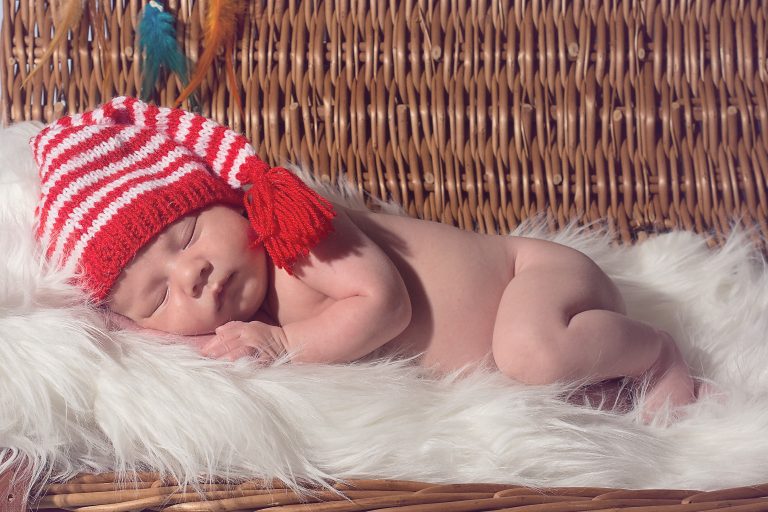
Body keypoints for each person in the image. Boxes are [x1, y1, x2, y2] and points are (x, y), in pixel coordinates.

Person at [31, 96, 696, 421]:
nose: (191, 275)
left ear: (230, 201)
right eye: (158, 295)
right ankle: (610, 377)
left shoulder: (295, 237)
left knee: (533, 353)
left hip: (534, 277)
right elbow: (184, 347)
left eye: (187, 237)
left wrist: (284, 339)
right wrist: (124, 329)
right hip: (502, 344)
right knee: (549, 385)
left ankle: (658, 353)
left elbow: (385, 303)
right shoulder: (241, 308)